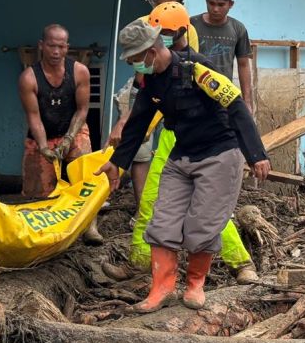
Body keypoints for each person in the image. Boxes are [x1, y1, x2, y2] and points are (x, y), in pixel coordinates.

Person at [95, 18, 270, 312]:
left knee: (202, 226)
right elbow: (138, 123)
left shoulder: (198, 69)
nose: (135, 65)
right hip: (183, 154)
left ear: (152, 49)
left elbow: (236, 106)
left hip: (219, 154)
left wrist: (256, 154)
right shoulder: (150, 80)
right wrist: (118, 163)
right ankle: (161, 288)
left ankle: (194, 286)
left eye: (137, 58)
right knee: (162, 221)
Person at [107, 0, 199, 206]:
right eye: (160, 6)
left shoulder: (190, 42)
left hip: (176, 94)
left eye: (171, 7)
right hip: (148, 87)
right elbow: (142, 79)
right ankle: (143, 207)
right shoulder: (142, 27)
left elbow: (186, 80)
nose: (164, 14)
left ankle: (175, 204)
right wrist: (126, 119)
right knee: (139, 147)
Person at [19, 24, 102, 244]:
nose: (56, 52)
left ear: (67, 48)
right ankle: (45, 234)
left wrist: (68, 138)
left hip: (73, 129)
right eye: (51, 46)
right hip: (42, 134)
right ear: (41, 46)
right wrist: (44, 146)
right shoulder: (29, 77)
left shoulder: (79, 71)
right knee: (38, 192)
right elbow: (33, 117)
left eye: (60, 47)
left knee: (87, 178)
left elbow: (82, 110)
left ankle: (90, 227)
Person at [190, 0, 254, 113]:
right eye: (211, 3)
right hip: (193, 94)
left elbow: (243, 65)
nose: (215, 9)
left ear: (231, 4)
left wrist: (247, 102)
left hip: (222, 95)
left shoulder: (238, 29)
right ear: (206, 0)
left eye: (221, 4)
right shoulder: (191, 24)